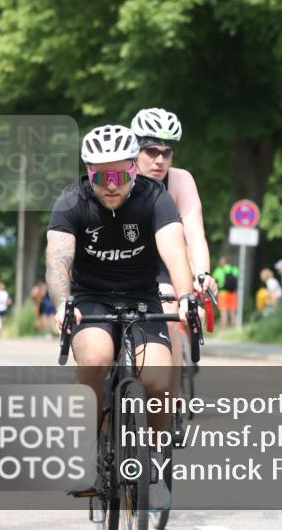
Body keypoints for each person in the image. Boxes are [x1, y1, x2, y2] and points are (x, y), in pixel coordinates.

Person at [47, 124, 195, 513]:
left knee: (159, 381)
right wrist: (63, 302)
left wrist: (184, 296)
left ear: (133, 169)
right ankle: (84, 452)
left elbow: (175, 249)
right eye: (100, 176)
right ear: (88, 172)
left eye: (119, 175)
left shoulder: (155, 198)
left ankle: (158, 469)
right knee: (95, 358)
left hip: (142, 298)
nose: (110, 185)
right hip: (91, 300)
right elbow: (58, 259)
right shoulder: (71, 200)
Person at [131, 108, 218, 401]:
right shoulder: (118, 176)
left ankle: (169, 395)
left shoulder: (180, 181)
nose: (159, 160)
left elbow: (194, 233)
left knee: (171, 313)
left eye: (167, 153)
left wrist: (202, 275)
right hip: (122, 259)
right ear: (135, 149)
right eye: (151, 151)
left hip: (165, 262)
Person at [213, 257, 240, 329]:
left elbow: (214, 280)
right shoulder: (234, 269)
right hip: (233, 293)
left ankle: (223, 330)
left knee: (223, 312)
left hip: (223, 293)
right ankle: (234, 330)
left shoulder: (218, 270)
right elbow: (237, 277)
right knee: (233, 312)